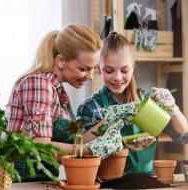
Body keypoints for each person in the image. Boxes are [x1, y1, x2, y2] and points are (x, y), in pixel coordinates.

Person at [7, 24, 125, 182]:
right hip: (22, 182)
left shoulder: (57, 91)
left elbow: (77, 142)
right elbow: (40, 148)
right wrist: (91, 150)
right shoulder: (38, 83)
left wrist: (110, 119)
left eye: (93, 69)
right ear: (61, 61)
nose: (90, 76)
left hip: (42, 181)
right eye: (83, 68)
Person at [76, 31, 188, 174]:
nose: (117, 77)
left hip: (147, 182)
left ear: (132, 67)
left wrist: (173, 109)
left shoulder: (148, 100)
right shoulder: (90, 107)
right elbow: (79, 149)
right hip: (107, 183)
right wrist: (109, 118)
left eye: (124, 70)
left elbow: (183, 138)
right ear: (99, 69)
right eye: (109, 71)